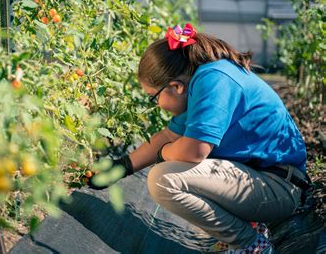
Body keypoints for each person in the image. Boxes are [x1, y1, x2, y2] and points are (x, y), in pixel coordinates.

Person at [89, 24, 309, 253]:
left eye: (153, 97)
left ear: (175, 86)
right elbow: (167, 136)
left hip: (278, 189)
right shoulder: (204, 79)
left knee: (163, 179)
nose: (156, 105)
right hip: (264, 182)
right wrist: (119, 168)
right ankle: (248, 232)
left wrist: (164, 153)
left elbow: (194, 151)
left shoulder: (213, 80)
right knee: (172, 166)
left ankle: (252, 245)